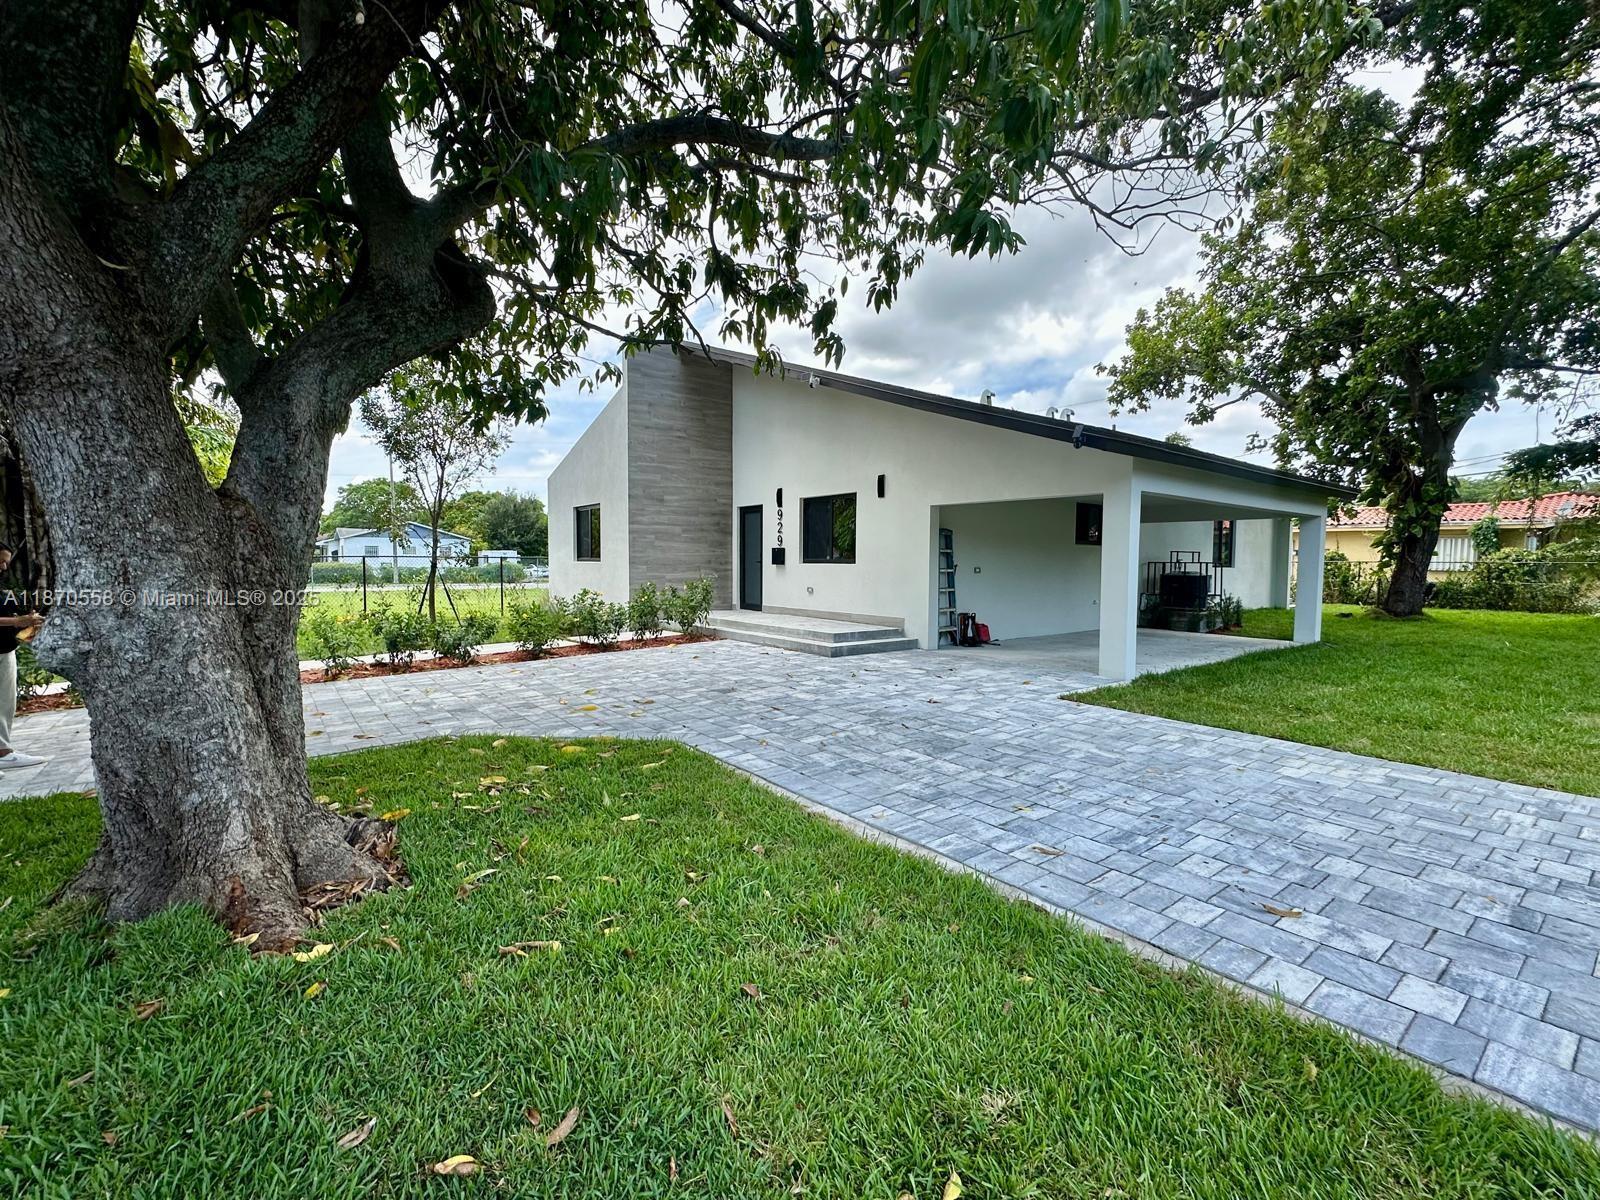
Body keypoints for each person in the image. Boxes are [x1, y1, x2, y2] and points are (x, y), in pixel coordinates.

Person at [0, 541, 47, 768]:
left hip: (5, 649)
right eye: (1, 561)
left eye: (6, 562)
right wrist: (18, 621)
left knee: (5, 703)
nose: (4, 567)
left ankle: (3, 752)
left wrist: (25, 624)